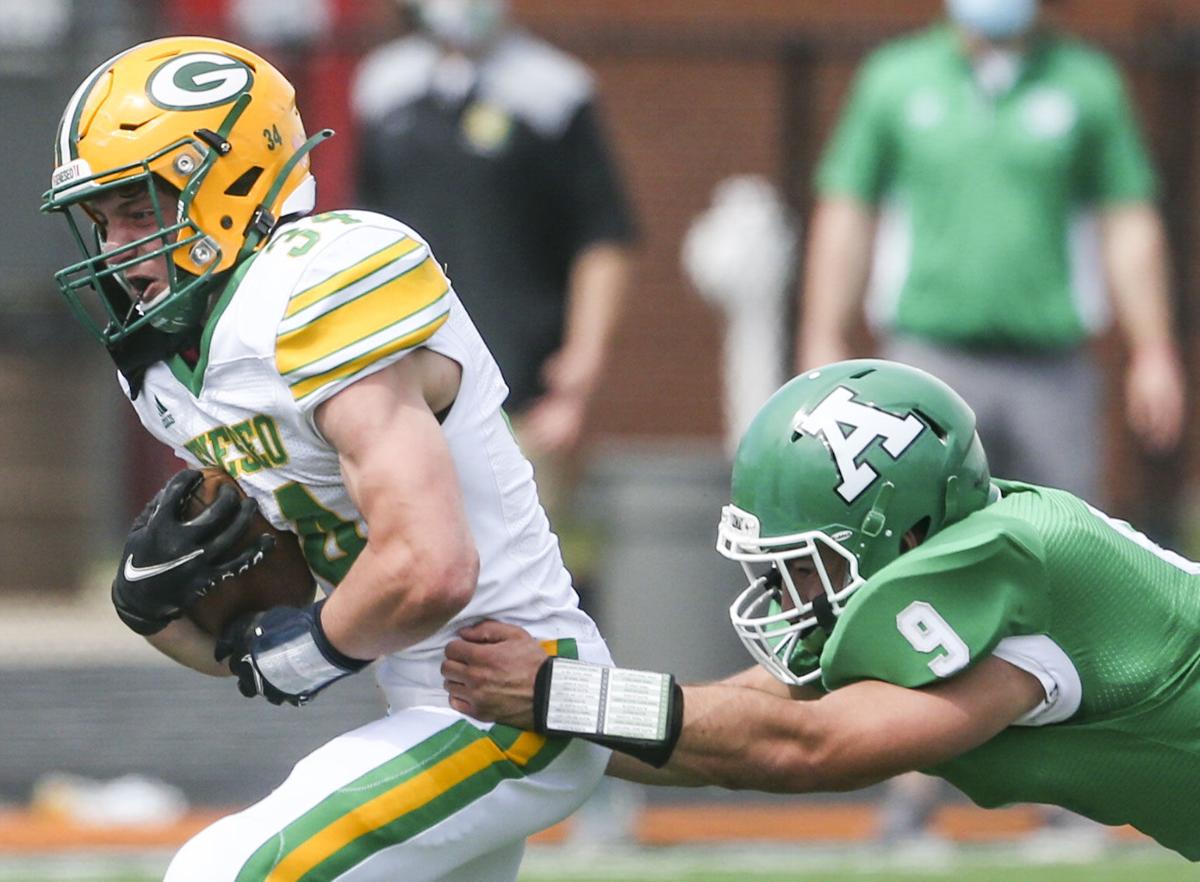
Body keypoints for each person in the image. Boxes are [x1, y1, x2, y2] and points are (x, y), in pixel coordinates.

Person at [41, 36, 612, 882]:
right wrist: (159, 610)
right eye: (103, 219)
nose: (118, 245)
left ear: (227, 184)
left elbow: (430, 566)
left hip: (514, 696)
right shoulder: (170, 365)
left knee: (225, 871)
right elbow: (262, 641)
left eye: (139, 209)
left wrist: (305, 649)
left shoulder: (315, 284)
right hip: (427, 700)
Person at [441, 358, 1200, 862]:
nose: (786, 595)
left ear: (910, 538)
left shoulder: (1009, 575)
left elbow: (802, 748)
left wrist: (557, 693)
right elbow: (733, 719)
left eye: (804, 566)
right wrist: (543, 721)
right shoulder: (958, 565)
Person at [797, 0, 1185, 504]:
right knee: (921, 529)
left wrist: (1153, 348)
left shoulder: (1088, 83)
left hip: (1052, 369)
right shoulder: (894, 78)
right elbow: (847, 212)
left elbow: (1128, 222)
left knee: (1060, 540)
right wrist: (822, 334)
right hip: (928, 361)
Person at [351, 0, 635, 527]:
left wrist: (581, 368)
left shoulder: (556, 92)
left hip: (520, 393)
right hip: (400, 388)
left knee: (522, 572)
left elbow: (603, 238)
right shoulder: (382, 85)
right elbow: (360, 230)